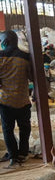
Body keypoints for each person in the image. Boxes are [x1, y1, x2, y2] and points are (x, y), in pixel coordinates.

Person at [0, 30, 32, 166]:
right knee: (25, 127)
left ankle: (13, 154)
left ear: (5, 42)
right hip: (23, 100)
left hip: (6, 101)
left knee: (8, 129)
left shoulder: (0, 57)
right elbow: (32, 77)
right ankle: (23, 153)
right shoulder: (25, 57)